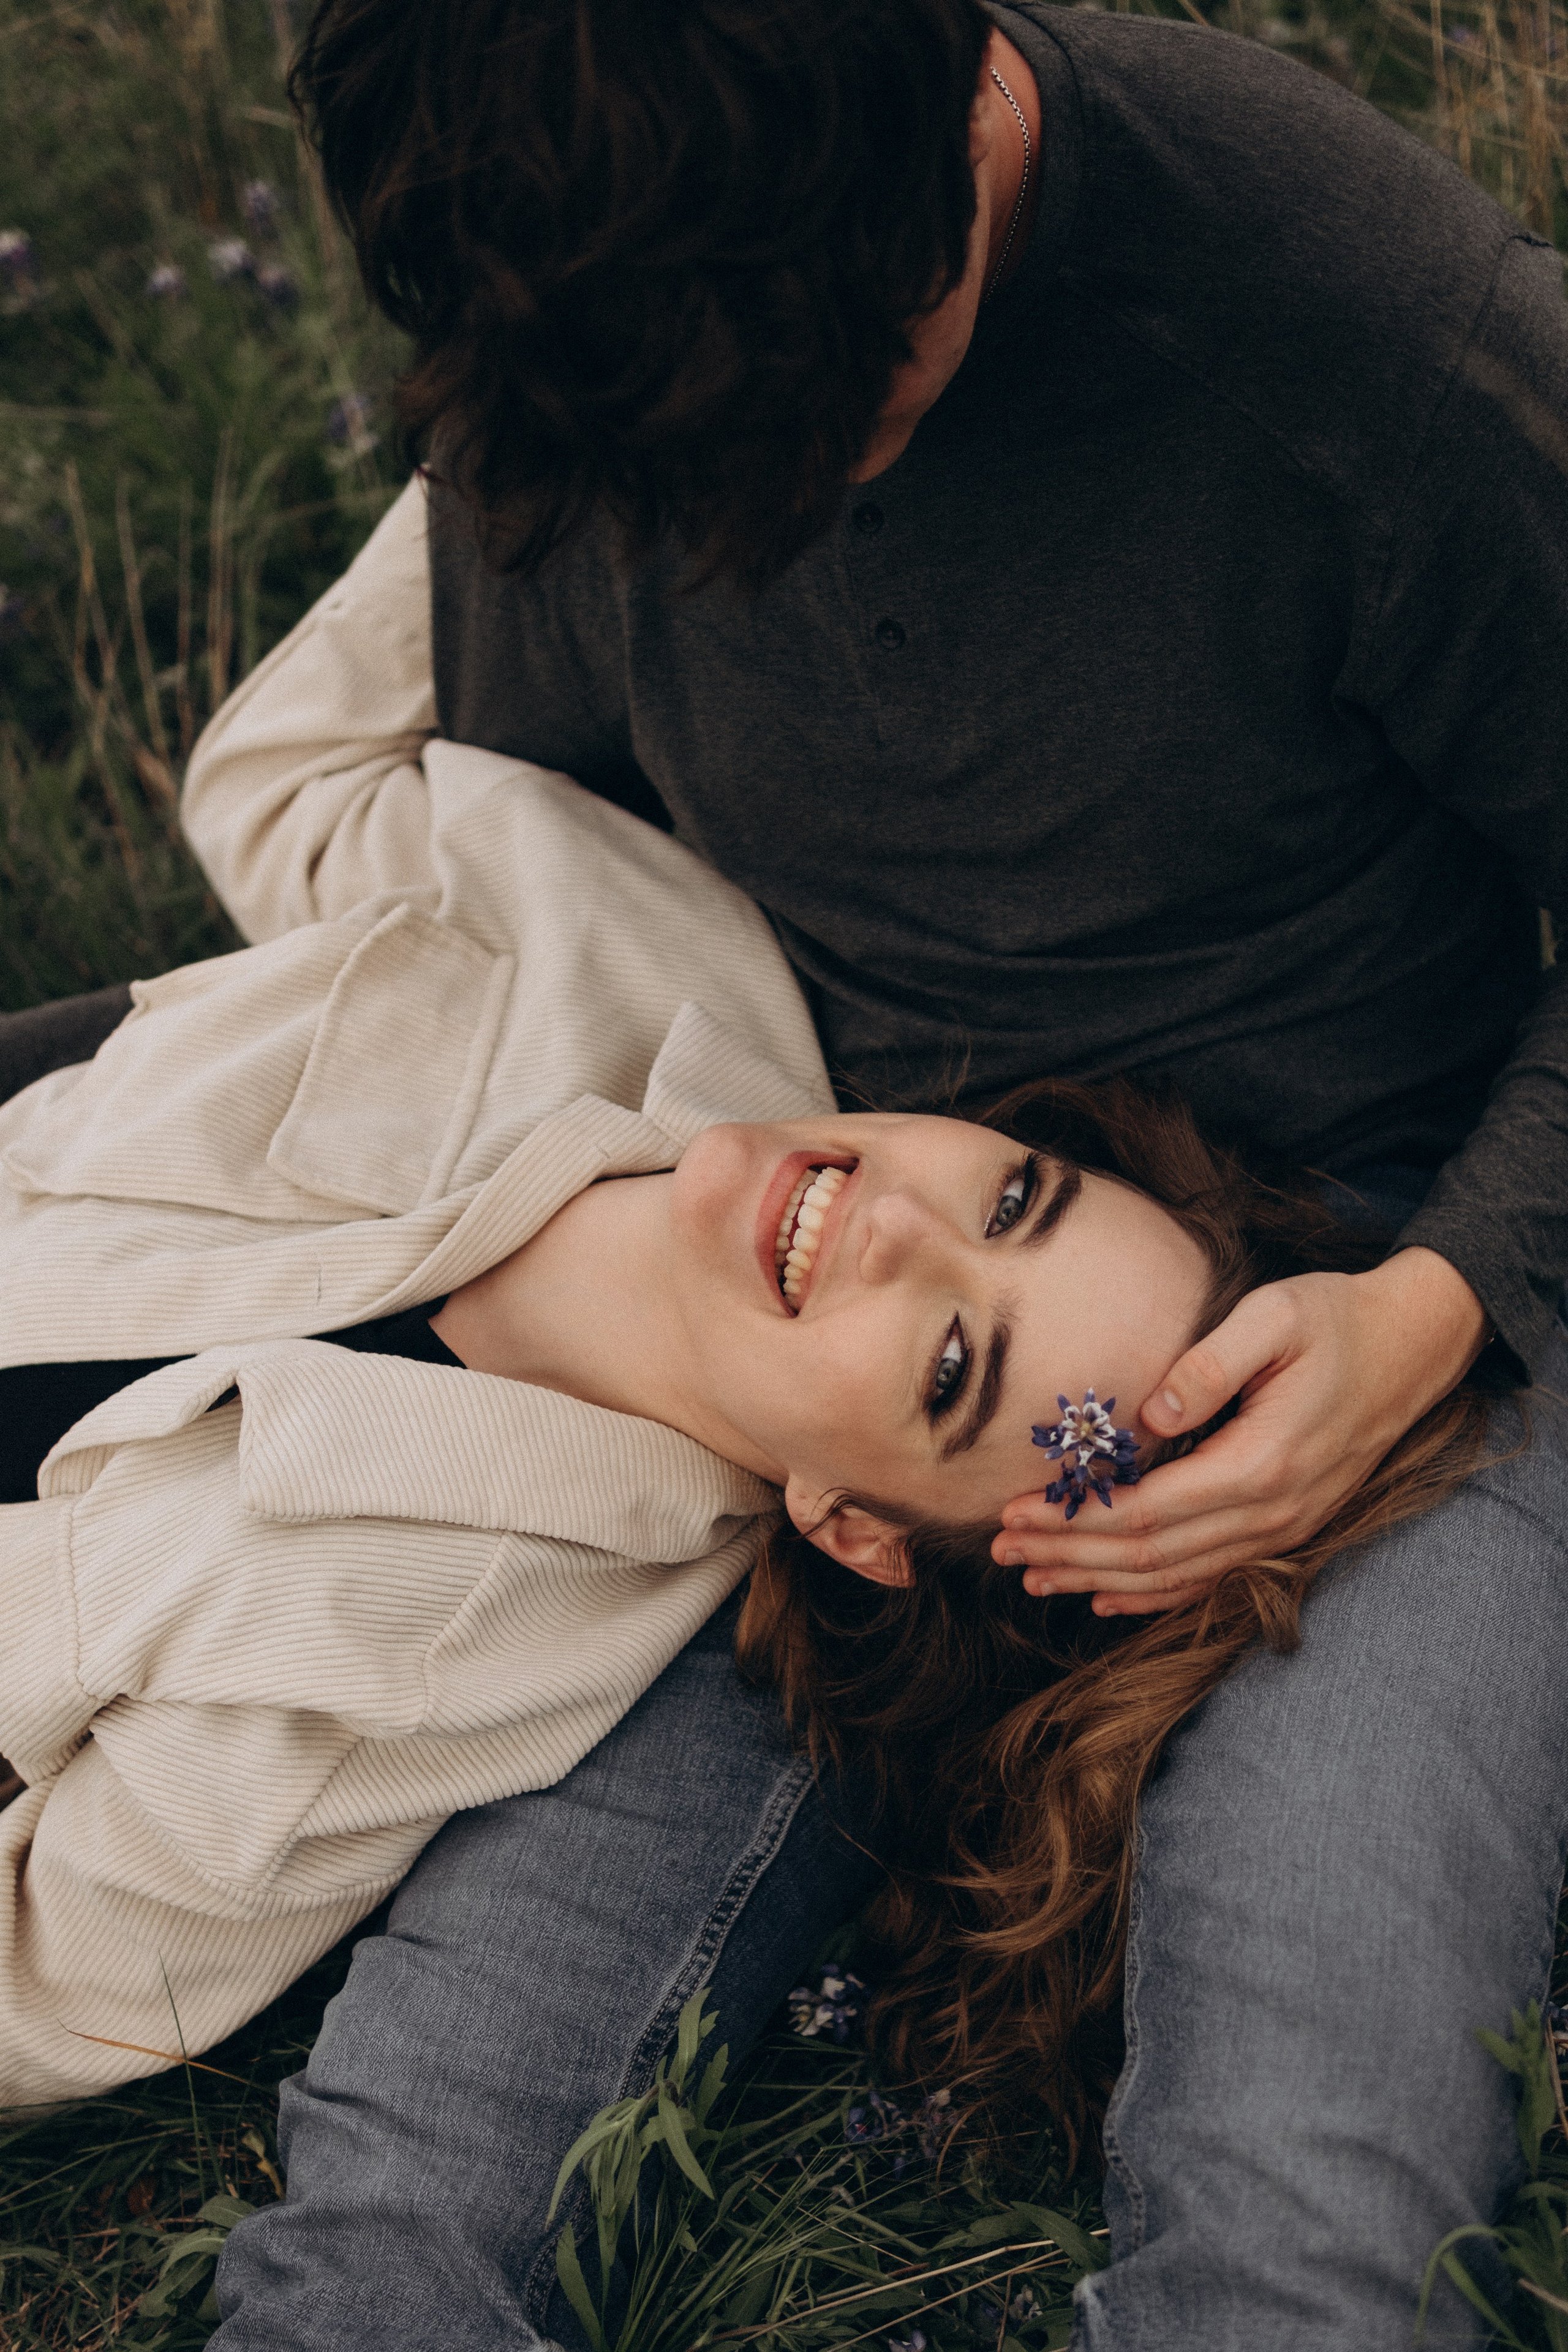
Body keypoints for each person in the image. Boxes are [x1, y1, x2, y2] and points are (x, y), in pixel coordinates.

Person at [7, 0, 1567, 2339]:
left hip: (1389, 1294)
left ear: (949, 101)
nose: (804, 490)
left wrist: (1436, 1309)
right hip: (788, 1383)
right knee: (408, 2211)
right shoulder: (597, 298)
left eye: (867, 393)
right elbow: (507, 862)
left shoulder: (1353, 335)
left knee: (1303, 2216)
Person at [0, 745, 1490, 2123]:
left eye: (952, 1364)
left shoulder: (406, 1642)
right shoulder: (654, 939)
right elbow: (292, 778)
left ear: (854, 1522)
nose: (900, 1221)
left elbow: (49, 1997)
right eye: (1014, 1200)